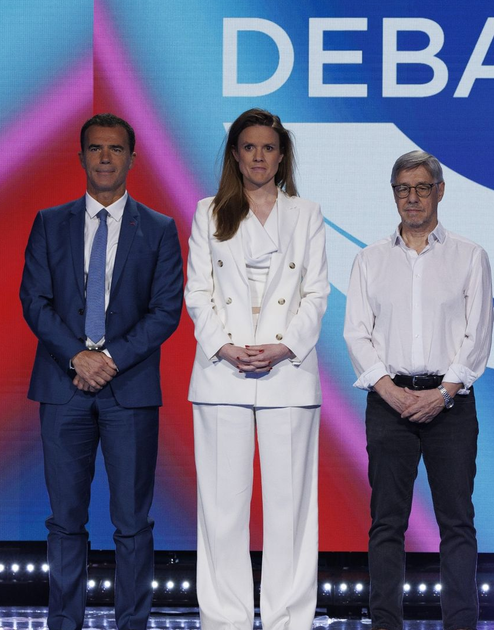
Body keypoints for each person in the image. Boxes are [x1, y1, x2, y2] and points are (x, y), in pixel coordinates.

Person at [20, 113, 183, 630]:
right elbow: (35, 301)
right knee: (65, 521)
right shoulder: (50, 222)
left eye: (116, 149)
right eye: (95, 149)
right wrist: (78, 357)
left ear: (133, 157)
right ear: (81, 157)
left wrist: (109, 360)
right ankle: (64, 623)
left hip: (129, 391)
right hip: (63, 387)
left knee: (133, 523)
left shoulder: (158, 228)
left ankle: (131, 623)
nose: (106, 157)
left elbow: (166, 310)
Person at [185, 108, 330, 630]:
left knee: (289, 510)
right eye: (249, 147)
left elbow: (316, 294)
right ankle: (223, 620)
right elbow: (197, 293)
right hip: (222, 376)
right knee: (222, 511)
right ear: (235, 155)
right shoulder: (208, 213)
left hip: (288, 376)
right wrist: (225, 347)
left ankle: (289, 619)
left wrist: (282, 346)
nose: (259, 157)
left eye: (269, 147)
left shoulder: (307, 213)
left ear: (283, 154)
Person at [343, 150, 493, 630]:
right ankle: (385, 623)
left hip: (451, 406)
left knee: (457, 524)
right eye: (403, 189)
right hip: (389, 404)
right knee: (387, 523)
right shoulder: (368, 259)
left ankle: (461, 624)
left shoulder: (470, 255)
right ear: (393, 194)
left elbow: (478, 334)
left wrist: (444, 393)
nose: (412, 197)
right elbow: (356, 334)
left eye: (421, 187)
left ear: (440, 191)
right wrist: (390, 391)